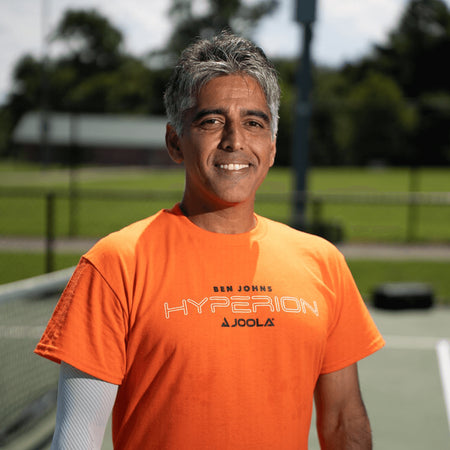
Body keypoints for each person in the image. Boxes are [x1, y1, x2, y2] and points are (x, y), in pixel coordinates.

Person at [35, 31, 385, 449]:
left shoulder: (323, 262)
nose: (235, 140)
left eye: (254, 122)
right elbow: (78, 438)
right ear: (174, 141)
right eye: (211, 120)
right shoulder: (115, 264)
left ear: (272, 146)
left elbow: (345, 422)